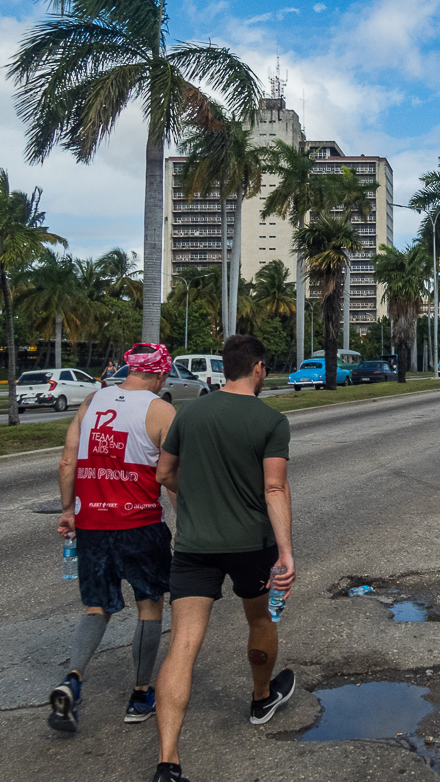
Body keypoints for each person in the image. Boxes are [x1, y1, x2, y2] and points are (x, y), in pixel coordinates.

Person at [152, 335, 295, 782]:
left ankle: (168, 760)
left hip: (195, 547)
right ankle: (260, 698)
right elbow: (274, 488)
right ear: (257, 368)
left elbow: (164, 474)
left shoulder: (189, 413)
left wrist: (189, 507)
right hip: (252, 546)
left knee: (183, 645)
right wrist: (286, 552)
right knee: (259, 621)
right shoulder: (271, 420)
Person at [48, 344, 177, 733]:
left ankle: (73, 678)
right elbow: (170, 474)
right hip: (139, 525)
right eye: (165, 376)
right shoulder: (160, 410)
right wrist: (187, 518)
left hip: (92, 526)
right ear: (157, 374)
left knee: (96, 607)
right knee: (149, 606)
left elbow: (68, 460)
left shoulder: (93, 400)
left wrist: (69, 511)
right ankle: (140, 694)